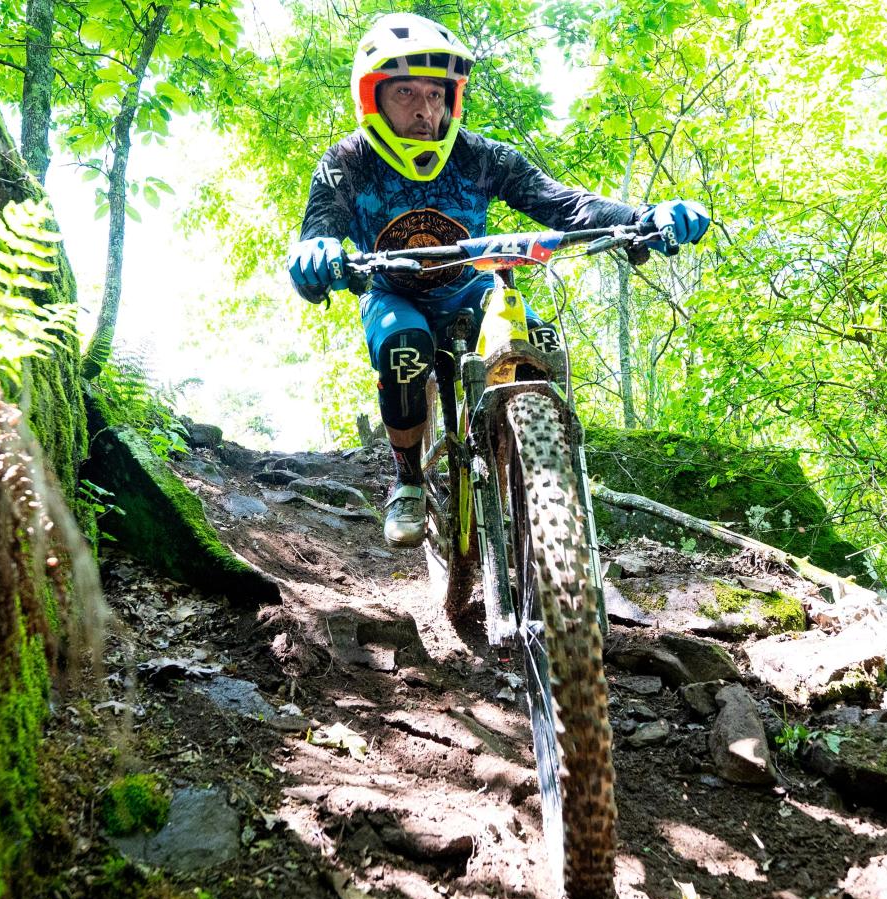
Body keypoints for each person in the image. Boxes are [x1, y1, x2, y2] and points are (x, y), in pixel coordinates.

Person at [287, 12, 709, 548]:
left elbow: (563, 203)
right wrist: (316, 250)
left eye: (436, 94)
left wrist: (642, 218)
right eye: (406, 93)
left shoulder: (479, 156)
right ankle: (410, 480)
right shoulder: (349, 162)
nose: (424, 110)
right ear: (373, 98)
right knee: (403, 346)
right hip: (395, 294)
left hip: (476, 286)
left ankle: (542, 474)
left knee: (535, 343)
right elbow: (319, 227)